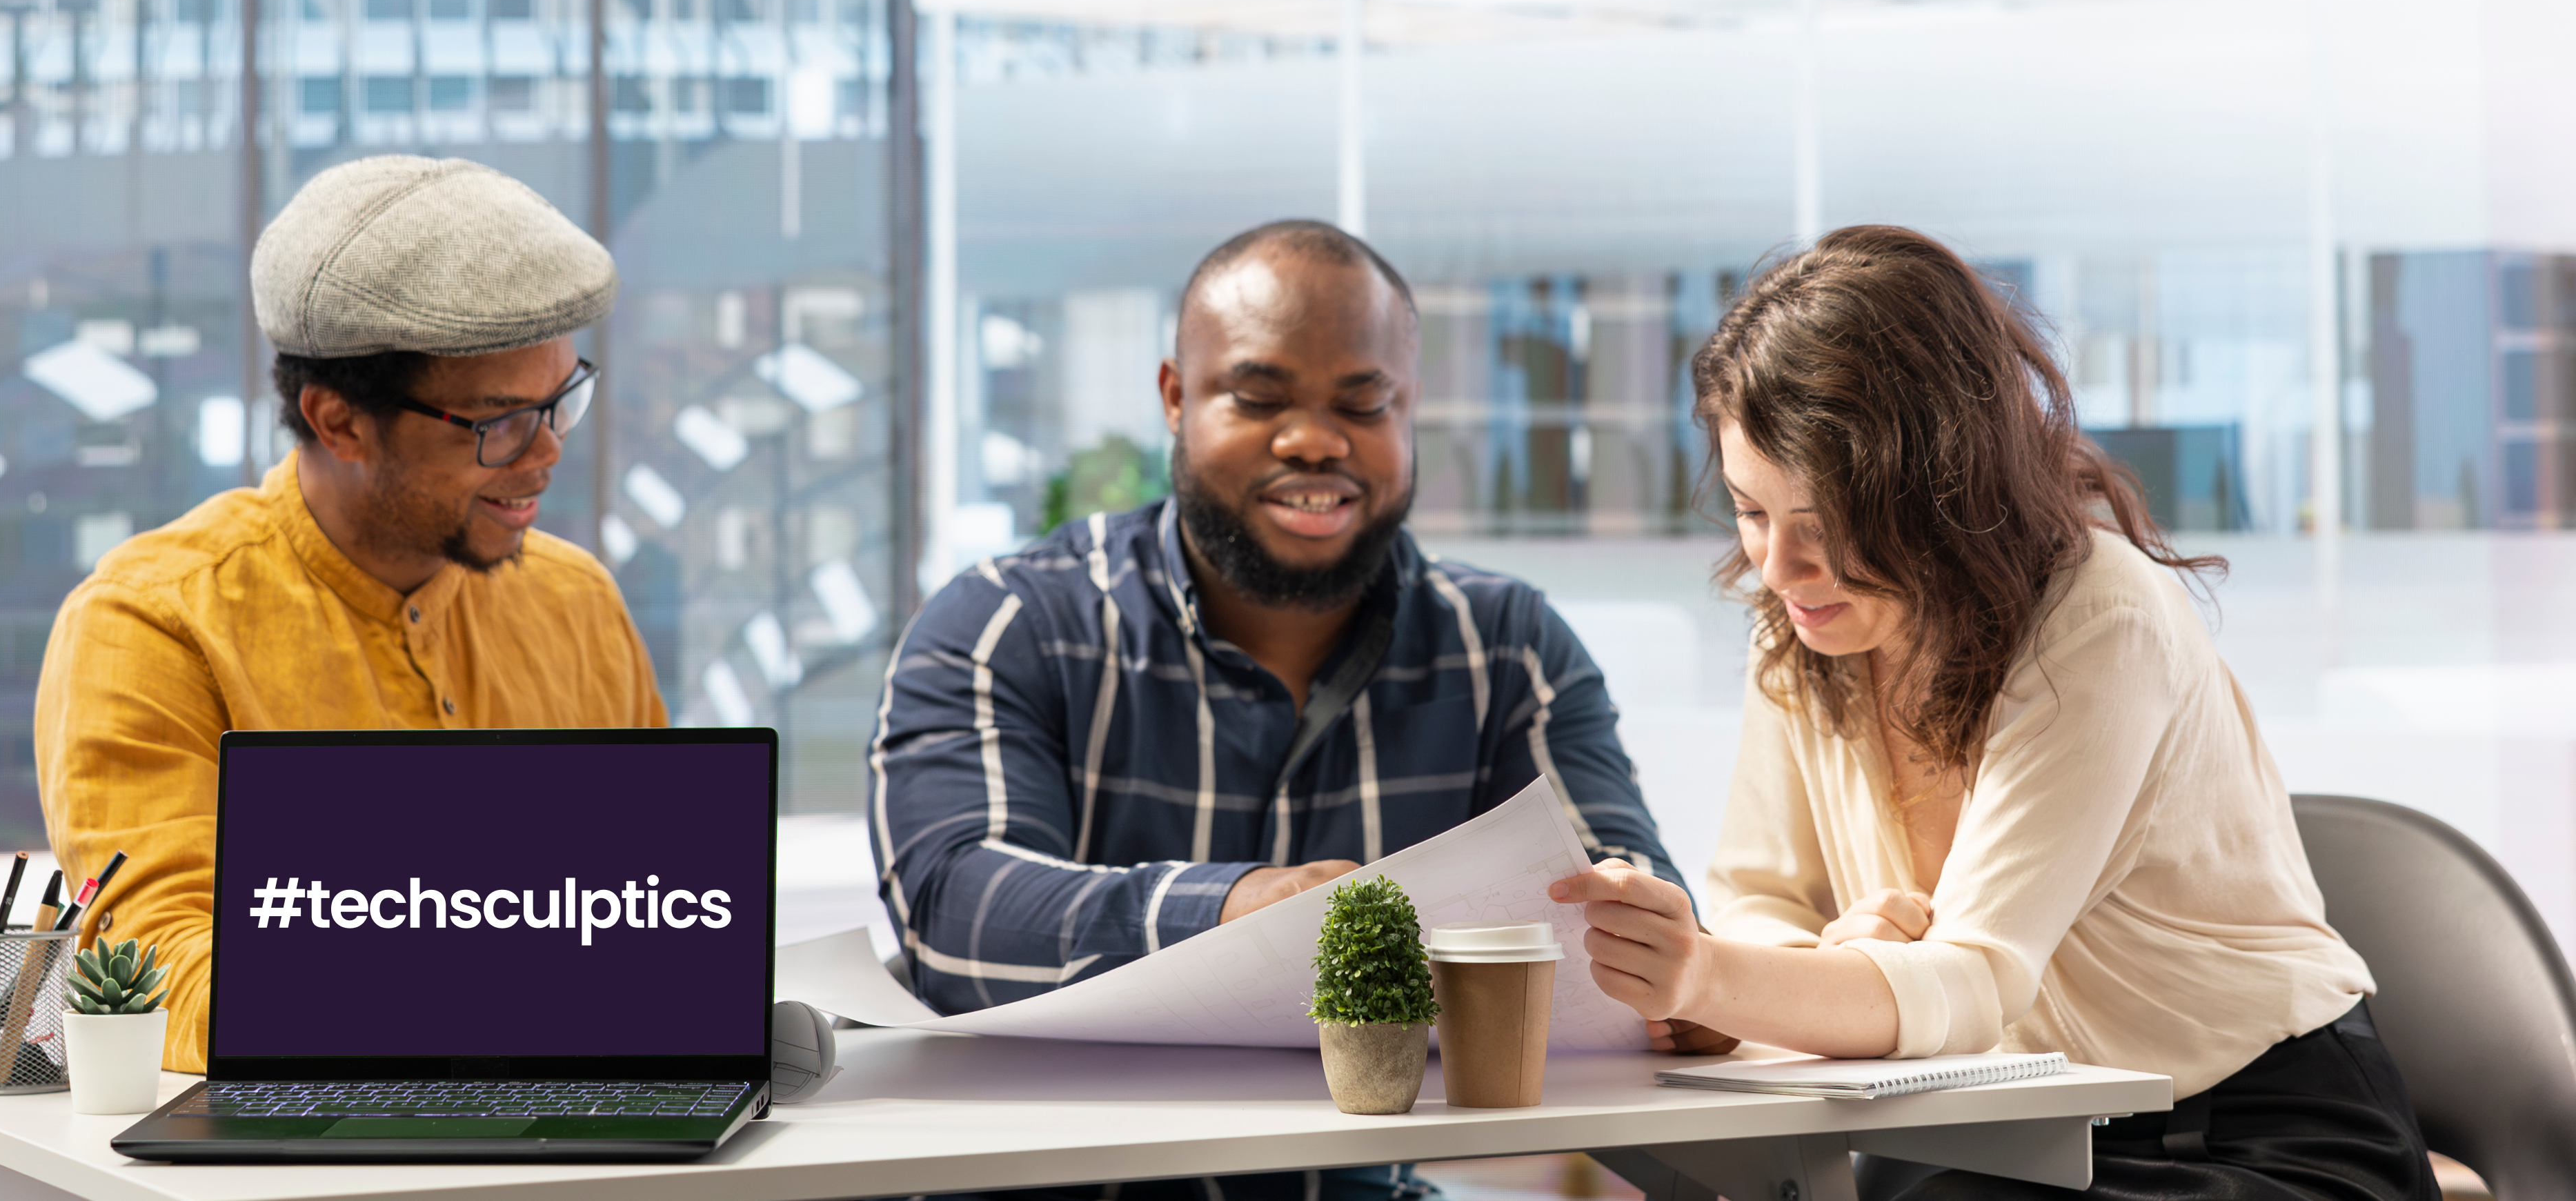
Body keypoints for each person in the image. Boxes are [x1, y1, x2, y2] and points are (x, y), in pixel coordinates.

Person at [1549, 226, 2437, 1201]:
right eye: (1752, 510)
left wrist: (1720, 979)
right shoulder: (1807, 628)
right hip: (1998, 1127)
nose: (1775, 567)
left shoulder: (2100, 616)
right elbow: (1764, 899)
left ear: (1937, 491)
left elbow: (1970, 983)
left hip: (2245, 1136)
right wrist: (1821, 964)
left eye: (1824, 524)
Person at [871, 220, 1695, 1201]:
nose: (1314, 439)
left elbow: (1628, 892)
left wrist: (1667, 956)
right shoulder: (1009, 622)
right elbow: (955, 917)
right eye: (1259, 398)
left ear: (1410, 406)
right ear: (1176, 397)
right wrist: (1233, 909)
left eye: (1363, 401)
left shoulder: (1506, 645)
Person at [34, 155, 666, 1072]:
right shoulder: (153, 622)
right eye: (500, 423)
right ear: (338, 422)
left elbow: (659, 916)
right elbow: (158, 973)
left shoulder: (577, 600)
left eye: (562, 400)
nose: (549, 451)